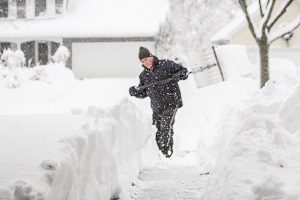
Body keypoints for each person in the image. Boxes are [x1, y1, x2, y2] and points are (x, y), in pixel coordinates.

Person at [129, 47, 188, 158]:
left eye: (146, 59)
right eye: (142, 61)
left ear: (151, 56)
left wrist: (179, 75)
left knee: (166, 127)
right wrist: (135, 92)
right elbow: (143, 93)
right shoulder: (144, 76)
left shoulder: (165, 65)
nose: (145, 62)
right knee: (157, 129)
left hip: (171, 102)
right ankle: (160, 153)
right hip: (157, 107)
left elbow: (183, 71)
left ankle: (166, 152)